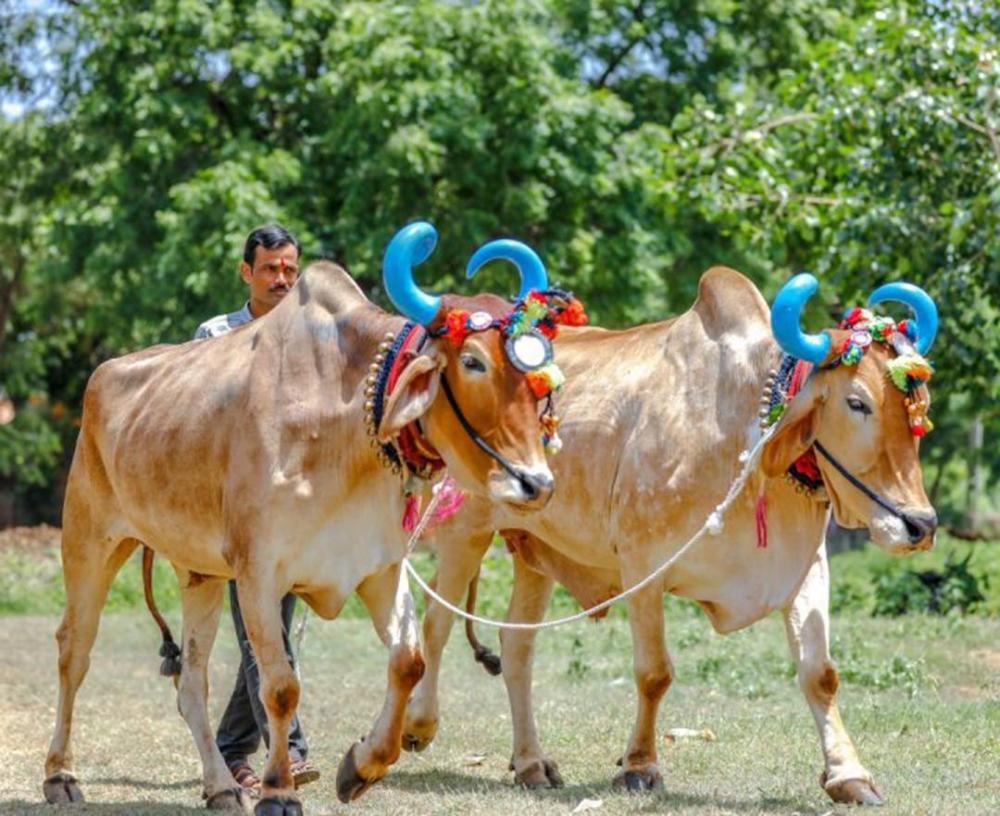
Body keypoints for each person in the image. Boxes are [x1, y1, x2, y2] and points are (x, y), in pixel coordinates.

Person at [195, 224, 319, 791]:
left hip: (292, 502)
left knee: (270, 626)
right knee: (263, 628)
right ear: (247, 272)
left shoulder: (313, 337)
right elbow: (198, 419)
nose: (282, 278)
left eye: (290, 269)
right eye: (270, 268)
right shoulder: (215, 334)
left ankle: (230, 746)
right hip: (232, 508)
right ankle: (287, 748)